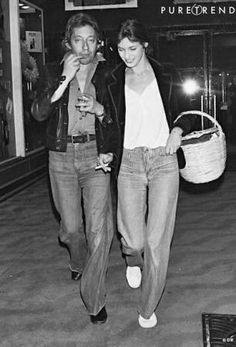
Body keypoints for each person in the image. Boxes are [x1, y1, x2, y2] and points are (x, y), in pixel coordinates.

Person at [106, 18, 196, 328]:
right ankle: (132, 258)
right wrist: (107, 150)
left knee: (158, 241)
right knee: (133, 238)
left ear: (144, 44)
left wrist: (178, 129)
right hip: (129, 163)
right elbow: (109, 122)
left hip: (163, 160)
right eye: (120, 49)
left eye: (132, 48)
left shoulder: (167, 72)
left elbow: (188, 105)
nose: (126, 55)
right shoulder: (113, 79)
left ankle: (147, 307)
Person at [31, 13, 118, 324]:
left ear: (98, 43)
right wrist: (64, 77)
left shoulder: (108, 72)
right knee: (71, 230)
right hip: (62, 157)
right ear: (68, 43)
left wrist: (101, 110)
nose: (85, 47)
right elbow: (39, 113)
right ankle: (78, 261)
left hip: (96, 154)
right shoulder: (53, 70)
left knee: (99, 230)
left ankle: (94, 299)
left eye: (91, 40)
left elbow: (117, 117)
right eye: (78, 40)